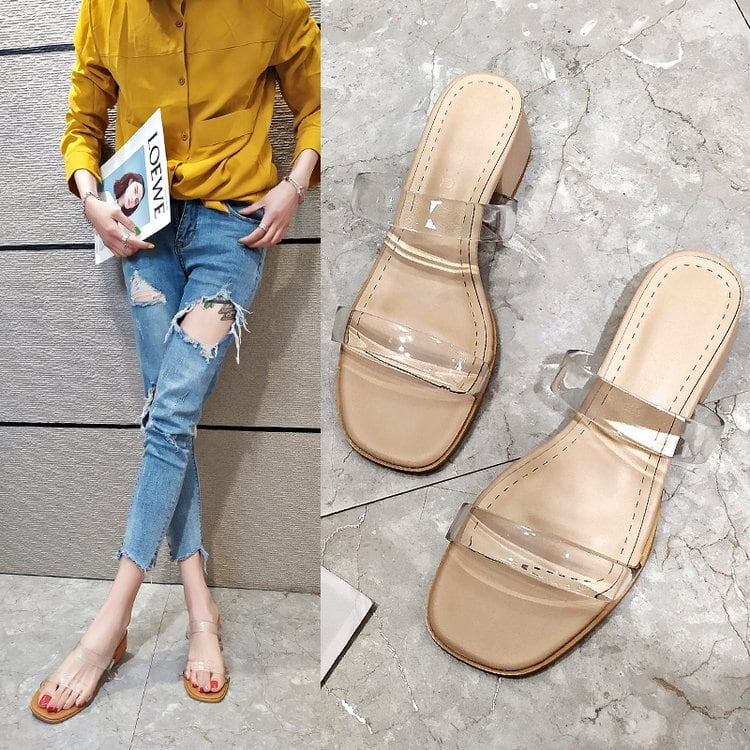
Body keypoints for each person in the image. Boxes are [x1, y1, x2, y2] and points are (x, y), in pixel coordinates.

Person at [29, 0, 320, 721]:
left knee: (170, 412)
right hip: (144, 234)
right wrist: (90, 197)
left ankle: (109, 624)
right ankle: (199, 607)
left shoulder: (274, 5)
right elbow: (82, 127)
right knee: (169, 416)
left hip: (232, 231)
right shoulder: (105, 9)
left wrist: (295, 184)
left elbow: (320, 106)